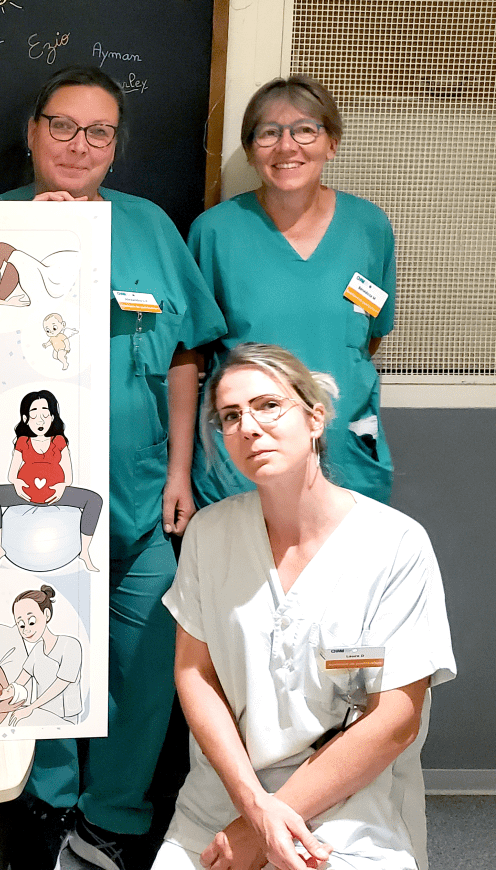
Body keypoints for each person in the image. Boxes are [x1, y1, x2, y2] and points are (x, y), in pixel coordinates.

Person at [0, 65, 227, 870]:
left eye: (98, 132)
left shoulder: (150, 226)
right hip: (36, 495)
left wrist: (181, 472)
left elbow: (187, 353)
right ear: (33, 132)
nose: (78, 145)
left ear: (116, 146)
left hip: (141, 491)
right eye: (62, 125)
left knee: (149, 661)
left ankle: (113, 816)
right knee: (40, 646)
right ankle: (48, 805)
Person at [155, 343, 455, 870]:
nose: (249, 427)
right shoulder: (210, 534)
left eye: (268, 405)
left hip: (352, 804)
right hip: (225, 800)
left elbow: (396, 719)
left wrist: (262, 829)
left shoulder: (395, 546)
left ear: (315, 418)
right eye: (231, 416)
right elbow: (195, 674)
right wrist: (253, 809)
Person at [190, 75, 396, 507]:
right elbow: (194, 350)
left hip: (346, 454)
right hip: (246, 458)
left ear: (331, 143)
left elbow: (370, 336)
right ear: (251, 151)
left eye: (305, 130)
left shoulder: (369, 227)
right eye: (269, 133)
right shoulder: (215, 232)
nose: (287, 147)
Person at [0, 389, 103, 572]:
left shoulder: (59, 441)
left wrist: (62, 487)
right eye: (34, 414)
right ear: (25, 419)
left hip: (55, 494)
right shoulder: (22, 442)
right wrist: (17, 483)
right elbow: (12, 473)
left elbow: (68, 474)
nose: (40, 420)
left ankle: (84, 551)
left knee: (94, 499)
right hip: (26, 494)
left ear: (52, 417)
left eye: (45, 414)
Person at [8, 586, 83, 726]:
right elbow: (21, 680)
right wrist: (4, 693)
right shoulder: (37, 650)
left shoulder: (71, 645)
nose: (26, 629)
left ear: (46, 615)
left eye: (31, 621)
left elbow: (61, 683)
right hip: (43, 714)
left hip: (66, 717)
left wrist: (30, 708)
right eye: (21, 624)